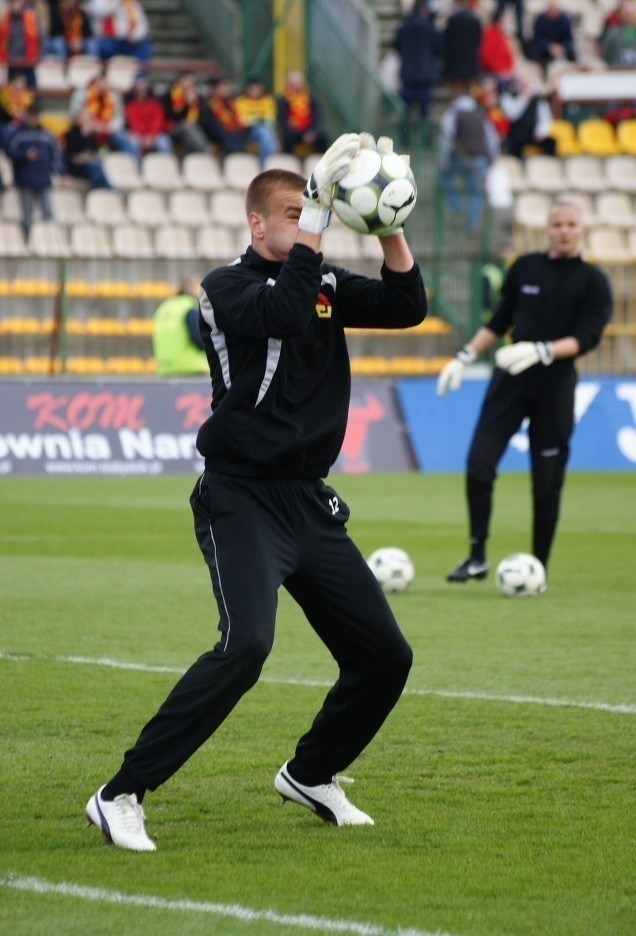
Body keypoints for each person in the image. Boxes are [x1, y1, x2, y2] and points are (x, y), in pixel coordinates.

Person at [85, 132, 427, 851]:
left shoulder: (323, 282)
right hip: (240, 498)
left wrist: (390, 221)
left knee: (385, 658)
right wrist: (322, 225)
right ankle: (121, 793)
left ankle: (312, 772)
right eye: (293, 211)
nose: (308, 219)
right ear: (257, 223)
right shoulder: (225, 287)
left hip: (307, 503)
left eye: (311, 211)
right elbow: (280, 314)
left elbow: (407, 307)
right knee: (245, 648)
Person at [437, 199, 612, 583]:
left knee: (547, 483)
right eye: (557, 224)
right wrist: (464, 356)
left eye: (570, 224)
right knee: (479, 465)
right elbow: (500, 320)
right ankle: (477, 556)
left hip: (555, 384)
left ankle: (538, 567)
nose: (564, 230)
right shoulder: (526, 267)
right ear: (548, 229)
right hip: (510, 378)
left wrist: (543, 350)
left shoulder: (594, 282)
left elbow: (587, 338)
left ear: (581, 230)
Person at [439, 81, 500, 233]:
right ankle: (473, 225)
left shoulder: (453, 113)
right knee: (476, 192)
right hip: (480, 160)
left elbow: (446, 136)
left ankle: (455, 207)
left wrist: (444, 158)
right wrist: (490, 162)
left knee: (444, 178)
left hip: (460, 158)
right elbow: (492, 140)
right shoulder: (481, 116)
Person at [6, 101, 61, 239]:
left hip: (43, 179)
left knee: (48, 212)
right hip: (25, 179)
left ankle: (51, 240)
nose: (34, 118)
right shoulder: (18, 135)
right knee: (27, 215)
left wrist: (57, 173)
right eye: (31, 115)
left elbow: (55, 156)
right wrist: (25, 156)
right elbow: (10, 153)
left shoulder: (46, 135)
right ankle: (27, 242)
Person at [393, 0, 442, 129]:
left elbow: (396, 46)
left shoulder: (404, 26)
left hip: (408, 73)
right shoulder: (430, 27)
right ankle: (423, 139)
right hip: (425, 74)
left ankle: (405, 137)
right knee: (424, 111)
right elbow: (438, 48)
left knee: (406, 109)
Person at [69, 68, 138, 158]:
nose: (101, 84)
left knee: (126, 140)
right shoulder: (83, 93)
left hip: (108, 131)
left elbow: (119, 117)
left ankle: (132, 167)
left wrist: (108, 128)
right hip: (90, 129)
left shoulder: (113, 96)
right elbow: (75, 114)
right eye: (99, 81)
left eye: (104, 81)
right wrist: (91, 124)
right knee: (83, 133)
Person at [152, 276, 208, 377]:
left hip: (165, 369)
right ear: (191, 288)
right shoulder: (189, 307)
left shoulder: (164, 308)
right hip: (190, 369)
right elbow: (199, 339)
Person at [500, 73, 556, 158]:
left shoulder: (537, 99)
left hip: (532, 133)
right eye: (521, 84)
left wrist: (541, 132)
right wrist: (524, 97)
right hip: (515, 134)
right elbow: (513, 115)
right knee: (516, 143)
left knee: (551, 143)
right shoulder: (508, 96)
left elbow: (545, 117)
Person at [123, 70, 173, 164]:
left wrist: (152, 136)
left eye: (143, 84)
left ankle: (166, 169)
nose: (141, 88)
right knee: (133, 142)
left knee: (164, 141)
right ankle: (138, 170)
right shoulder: (130, 106)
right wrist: (143, 137)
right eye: (139, 85)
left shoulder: (155, 104)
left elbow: (158, 121)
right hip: (139, 135)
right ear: (134, 88)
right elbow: (134, 123)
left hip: (153, 135)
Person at [277, 68, 329, 156]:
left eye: (298, 81)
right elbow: (282, 120)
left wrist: (313, 132)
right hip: (293, 132)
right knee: (287, 137)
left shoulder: (311, 97)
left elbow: (318, 116)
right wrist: (298, 133)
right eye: (293, 82)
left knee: (323, 138)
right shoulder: (284, 98)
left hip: (309, 131)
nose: (296, 84)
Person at [234, 75, 279, 167]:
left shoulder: (268, 100)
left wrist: (255, 119)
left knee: (265, 131)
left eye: (257, 88)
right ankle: (266, 166)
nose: (255, 90)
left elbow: (271, 120)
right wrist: (259, 119)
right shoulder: (241, 101)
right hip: (246, 132)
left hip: (265, 131)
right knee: (264, 132)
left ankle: (266, 165)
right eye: (252, 88)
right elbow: (242, 121)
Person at [62, 105, 112, 188]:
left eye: (88, 118)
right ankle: (105, 191)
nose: (86, 120)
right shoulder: (71, 135)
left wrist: (86, 134)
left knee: (96, 167)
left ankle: (103, 190)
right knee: (95, 168)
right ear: (77, 119)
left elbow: (94, 152)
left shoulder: (91, 136)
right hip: (76, 167)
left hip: (89, 165)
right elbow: (72, 156)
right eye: (84, 118)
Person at [0, 0, 43, 87]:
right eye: (12, 3)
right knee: (10, 91)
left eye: (17, 2)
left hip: (27, 61)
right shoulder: (4, 20)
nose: (15, 5)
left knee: (32, 88)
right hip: (12, 61)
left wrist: (36, 57)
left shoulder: (30, 18)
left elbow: (38, 39)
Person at [443, 0, 483, 86]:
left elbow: (446, 39)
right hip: (470, 59)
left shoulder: (453, 19)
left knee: (457, 85)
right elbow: (479, 39)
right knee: (469, 86)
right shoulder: (474, 19)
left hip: (455, 59)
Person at [528, 1, 576, 66]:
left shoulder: (565, 20)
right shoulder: (540, 19)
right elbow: (538, 38)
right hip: (545, 49)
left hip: (562, 48)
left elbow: (569, 38)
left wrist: (562, 48)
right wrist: (550, 47)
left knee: (572, 53)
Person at [479, 11, 517, 85]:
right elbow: (487, 57)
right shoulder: (488, 35)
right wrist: (501, 71)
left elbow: (507, 56)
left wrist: (508, 70)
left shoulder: (501, 36)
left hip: (501, 72)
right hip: (491, 73)